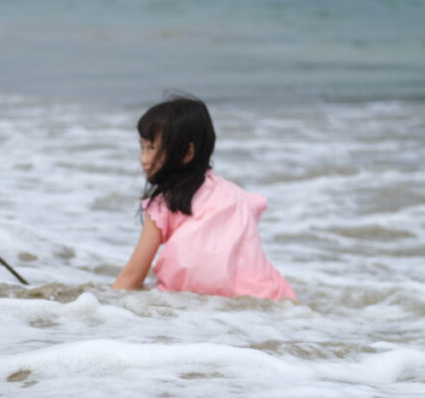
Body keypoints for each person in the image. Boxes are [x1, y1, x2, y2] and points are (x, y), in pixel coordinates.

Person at [112, 95, 295, 301]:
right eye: (142, 147)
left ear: (187, 153)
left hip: (197, 311)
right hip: (272, 301)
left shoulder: (164, 204)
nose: (143, 158)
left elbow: (131, 277)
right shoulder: (235, 196)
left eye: (152, 148)